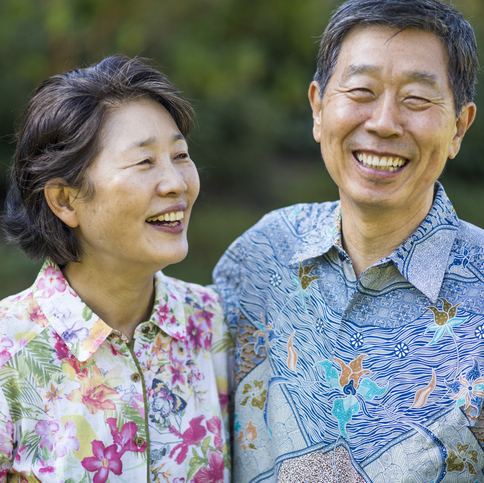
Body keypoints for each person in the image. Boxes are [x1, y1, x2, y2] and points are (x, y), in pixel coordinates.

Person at [213, 0, 484, 481]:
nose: (383, 122)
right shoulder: (260, 258)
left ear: (458, 127)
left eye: (417, 100)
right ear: (318, 108)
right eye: (361, 90)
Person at [0, 55, 231, 482]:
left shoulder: (214, 324)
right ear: (65, 200)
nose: (177, 183)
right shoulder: (9, 354)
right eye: (144, 162)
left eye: (180, 155)